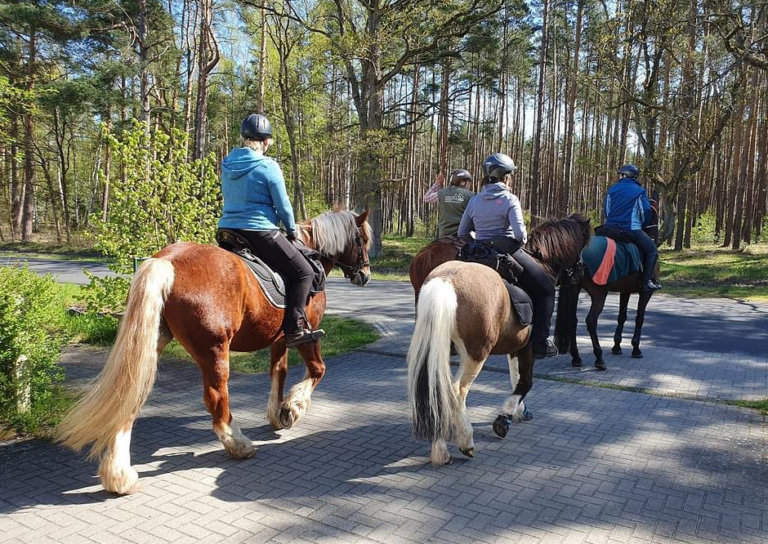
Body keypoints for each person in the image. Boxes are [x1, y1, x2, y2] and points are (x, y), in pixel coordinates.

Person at [218, 113, 324, 347]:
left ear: (245, 139)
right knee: (304, 272)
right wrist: (291, 228)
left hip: (227, 232)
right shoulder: (268, 165)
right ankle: (295, 327)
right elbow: (282, 203)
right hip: (259, 232)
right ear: (266, 142)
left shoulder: (227, 163)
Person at [458, 153, 557, 359]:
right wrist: (518, 241)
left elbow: (462, 233)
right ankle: (540, 341)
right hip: (506, 251)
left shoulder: (475, 199)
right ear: (505, 177)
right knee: (547, 289)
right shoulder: (510, 199)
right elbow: (520, 235)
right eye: (510, 175)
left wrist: (479, 240)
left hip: (479, 252)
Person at [604, 165, 662, 292]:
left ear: (624, 175)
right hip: (631, 228)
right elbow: (645, 211)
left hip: (609, 229)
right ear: (634, 176)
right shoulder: (639, 191)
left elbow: (607, 210)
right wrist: (643, 223)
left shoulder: (612, 189)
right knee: (652, 251)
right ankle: (647, 281)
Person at [423, 169, 475, 238]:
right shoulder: (471, 195)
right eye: (469, 181)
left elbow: (426, 198)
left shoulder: (442, 193)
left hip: (444, 235)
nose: (469, 184)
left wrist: (437, 184)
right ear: (462, 182)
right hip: (464, 235)